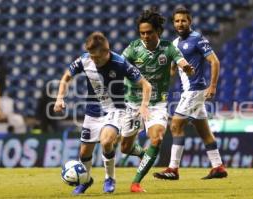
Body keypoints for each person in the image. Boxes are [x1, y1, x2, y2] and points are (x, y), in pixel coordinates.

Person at [53, 32, 151, 195]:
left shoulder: (120, 63)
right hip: (92, 112)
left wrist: (144, 106)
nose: (93, 60)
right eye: (91, 57)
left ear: (107, 52)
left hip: (116, 110)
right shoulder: (85, 59)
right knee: (84, 152)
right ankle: (85, 180)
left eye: (97, 58)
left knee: (106, 142)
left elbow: (146, 85)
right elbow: (66, 77)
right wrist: (59, 98)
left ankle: (109, 178)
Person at [120, 8, 194, 192]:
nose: (145, 36)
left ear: (158, 31)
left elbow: (180, 60)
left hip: (157, 103)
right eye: (142, 33)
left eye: (149, 32)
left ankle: (136, 182)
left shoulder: (168, 47)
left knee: (157, 138)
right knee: (125, 148)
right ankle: (142, 154)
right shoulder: (133, 48)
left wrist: (186, 67)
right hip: (133, 103)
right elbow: (118, 64)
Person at [153, 7, 228, 180]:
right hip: (189, 91)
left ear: (190, 21)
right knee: (204, 131)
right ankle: (218, 167)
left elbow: (214, 62)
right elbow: (171, 70)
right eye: (177, 21)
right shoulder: (174, 44)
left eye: (183, 20)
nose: (180, 23)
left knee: (176, 126)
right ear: (173, 23)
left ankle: (173, 169)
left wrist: (213, 86)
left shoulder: (197, 39)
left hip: (195, 89)